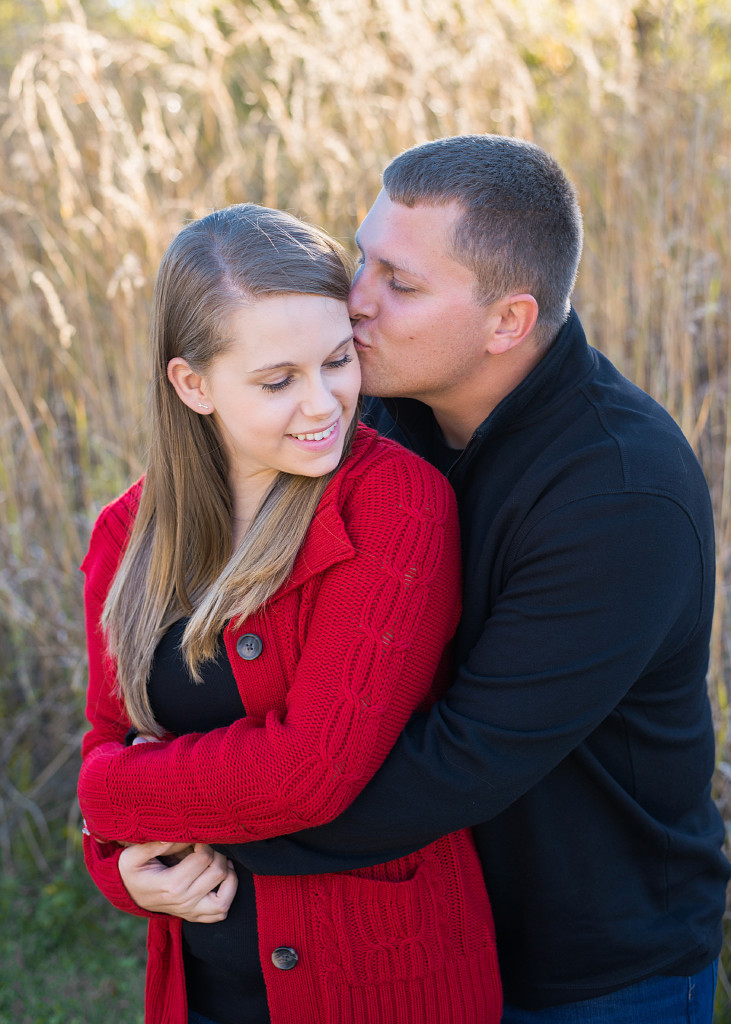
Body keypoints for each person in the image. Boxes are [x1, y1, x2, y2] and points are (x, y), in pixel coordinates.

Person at [199, 136, 728, 1022]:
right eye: (360, 258)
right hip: (410, 930)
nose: (354, 302)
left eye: (399, 285)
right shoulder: (359, 420)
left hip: (588, 966)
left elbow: (459, 761)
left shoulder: (619, 493)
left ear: (506, 322)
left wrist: (186, 820)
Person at [77, 204, 502, 1024]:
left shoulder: (394, 503)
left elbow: (310, 772)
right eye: (278, 381)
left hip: (382, 986)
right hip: (204, 989)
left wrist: (105, 799)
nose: (324, 405)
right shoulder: (126, 535)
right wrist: (118, 871)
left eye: (338, 361)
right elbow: (111, 733)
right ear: (192, 384)